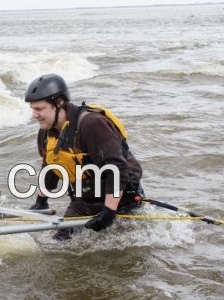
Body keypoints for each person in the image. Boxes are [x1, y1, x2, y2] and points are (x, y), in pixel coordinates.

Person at [25, 74, 143, 240]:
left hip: (122, 197)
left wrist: (109, 212)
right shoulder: (46, 132)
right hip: (85, 198)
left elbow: (117, 169)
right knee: (61, 241)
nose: (34, 115)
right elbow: (51, 166)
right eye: (33, 109)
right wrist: (41, 201)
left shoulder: (92, 124)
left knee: (122, 246)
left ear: (59, 103)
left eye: (39, 109)